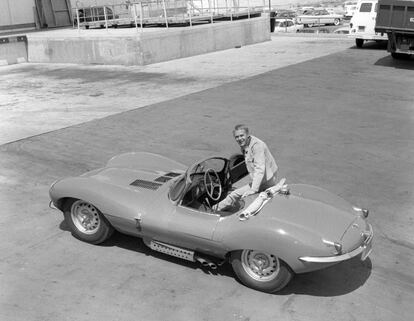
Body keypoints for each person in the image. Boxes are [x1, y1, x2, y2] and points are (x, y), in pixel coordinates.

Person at [216, 124, 278, 211]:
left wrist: (253, 189)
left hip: (265, 181)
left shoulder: (257, 146)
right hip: (266, 178)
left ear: (247, 135)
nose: (239, 139)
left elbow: (260, 169)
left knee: (234, 195)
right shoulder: (246, 144)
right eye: (237, 137)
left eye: (242, 135)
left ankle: (214, 209)